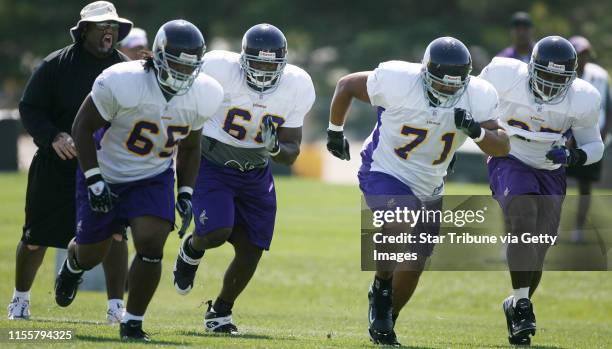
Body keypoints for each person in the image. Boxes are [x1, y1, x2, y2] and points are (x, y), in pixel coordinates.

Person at [327, 37, 509, 346]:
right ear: (425, 73)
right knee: (400, 217)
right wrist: (334, 132)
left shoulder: (478, 95)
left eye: (455, 85)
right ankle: (381, 287)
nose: (448, 90)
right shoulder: (398, 80)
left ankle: (384, 322)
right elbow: (345, 85)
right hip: (386, 169)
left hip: (431, 183)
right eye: (441, 83)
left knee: (412, 267)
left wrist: (477, 131)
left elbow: (502, 146)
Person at [53, 19, 224, 341]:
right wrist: (93, 178)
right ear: (157, 57)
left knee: (151, 242)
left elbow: (190, 145)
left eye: (191, 68)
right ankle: (74, 264)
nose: (183, 74)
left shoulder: (204, 93)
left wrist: (185, 190)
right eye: (176, 65)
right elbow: (82, 129)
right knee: (92, 253)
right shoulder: (122, 81)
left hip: (152, 175)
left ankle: (132, 321)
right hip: (105, 169)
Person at [171, 23, 315, 334]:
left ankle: (220, 312)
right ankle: (192, 249)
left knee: (253, 246)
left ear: (283, 64)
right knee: (217, 231)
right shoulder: (217, 69)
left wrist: (276, 147)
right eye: (257, 62)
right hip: (212, 160)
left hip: (256, 169)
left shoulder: (297, 85)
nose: (263, 71)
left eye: (271, 64)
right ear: (242, 59)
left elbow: (292, 151)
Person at [8, 1, 132, 323]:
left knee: (115, 236)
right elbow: (30, 107)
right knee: (35, 239)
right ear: (84, 30)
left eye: (113, 27)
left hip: (106, 168)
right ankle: (19, 302)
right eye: (102, 26)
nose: (109, 32)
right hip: (57, 165)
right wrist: (53, 136)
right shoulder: (55, 64)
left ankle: (116, 308)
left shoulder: (124, 70)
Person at [480, 36, 604, 345]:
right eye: (544, 75)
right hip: (508, 154)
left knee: (540, 246)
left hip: (550, 167)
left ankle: (516, 303)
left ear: (571, 78)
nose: (549, 84)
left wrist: (575, 156)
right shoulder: (504, 74)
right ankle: (523, 305)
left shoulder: (583, 97)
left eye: (557, 78)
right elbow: (472, 99)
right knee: (523, 217)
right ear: (530, 68)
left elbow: (595, 144)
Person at [566, 35, 611, 243]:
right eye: (579, 54)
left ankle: (578, 230)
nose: (583, 58)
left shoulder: (599, 76)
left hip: (590, 138)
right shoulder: (561, 73)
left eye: (585, 54)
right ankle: (553, 225)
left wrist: (601, 136)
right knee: (556, 182)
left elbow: (608, 110)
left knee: (586, 187)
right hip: (565, 139)